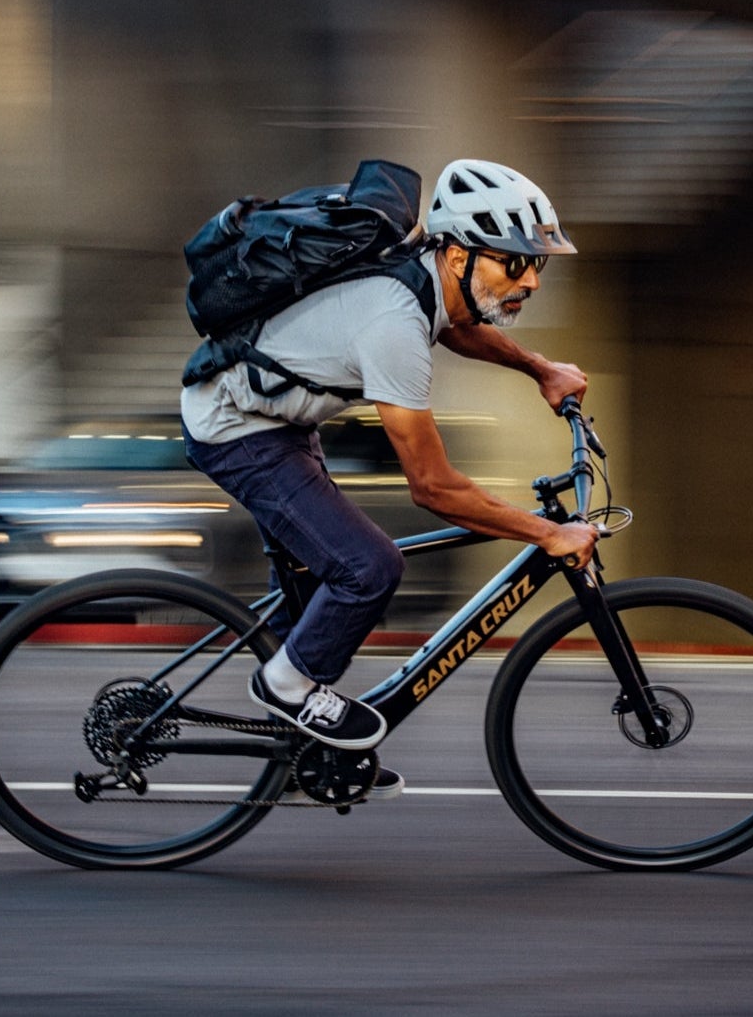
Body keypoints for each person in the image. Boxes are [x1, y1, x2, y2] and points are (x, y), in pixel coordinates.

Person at [180, 158, 600, 797]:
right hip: (237, 428)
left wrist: (540, 368)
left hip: (276, 416)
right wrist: (544, 533)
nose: (531, 280)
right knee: (369, 568)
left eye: (536, 264)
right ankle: (286, 687)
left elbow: (460, 327)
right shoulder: (393, 325)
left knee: (324, 579)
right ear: (459, 256)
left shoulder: (424, 279)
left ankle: (302, 754)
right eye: (514, 262)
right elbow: (432, 488)